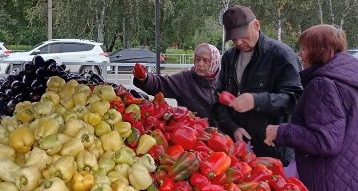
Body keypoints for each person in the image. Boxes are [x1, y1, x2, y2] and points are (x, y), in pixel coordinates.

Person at [265, 24, 358, 190]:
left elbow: (326, 141)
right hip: (348, 171)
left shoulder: (323, 84)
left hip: (327, 177)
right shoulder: (348, 76)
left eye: (305, 49)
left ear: (319, 51)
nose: (300, 54)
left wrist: (280, 131)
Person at [214, 5, 303, 166]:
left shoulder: (281, 56)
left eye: (242, 35)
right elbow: (218, 98)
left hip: (274, 153)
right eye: (234, 38)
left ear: (257, 25)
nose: (239, 42)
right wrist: (233, 128)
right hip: (239, 149)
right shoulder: (228, 58)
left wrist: (257, 101)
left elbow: (296, 99)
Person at [133, 43, 221, 126]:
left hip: (221, 137)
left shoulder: (223, 79)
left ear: (214, 62)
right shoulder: (185, 79)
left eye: (205, 61)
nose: (200, 64)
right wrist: (144, 78)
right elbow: (161, 84)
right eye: (197, 59)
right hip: (192, 134)